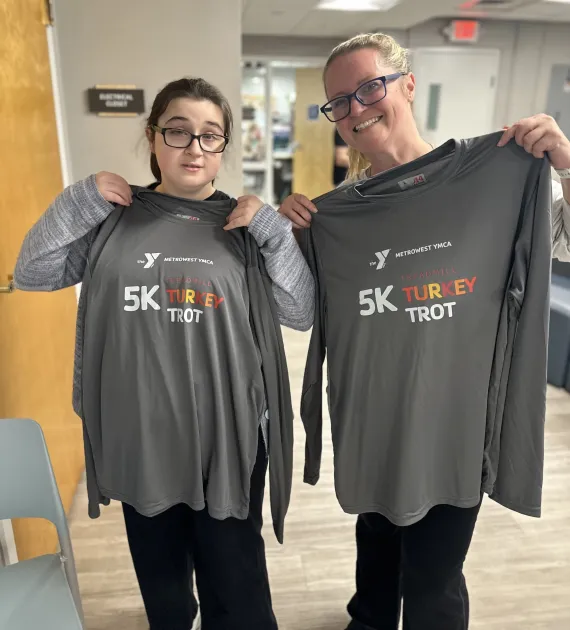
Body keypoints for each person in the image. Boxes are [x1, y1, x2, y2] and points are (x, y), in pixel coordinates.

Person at [278, 33, 570, 630]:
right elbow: (300, 311)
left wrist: (566, 163)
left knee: (434, 584)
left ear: (407, 84)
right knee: (377, 561)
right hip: (374, 423)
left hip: (453, 430)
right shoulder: (338, 215)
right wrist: (285, 241)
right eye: (339, 102)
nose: (356, 109)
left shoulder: (491, 180)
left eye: (369, 88)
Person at [14, 77, 314, 630]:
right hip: (143, 437)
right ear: (153, 138)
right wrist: (78, 200)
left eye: (210, 135)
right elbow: (30, 273)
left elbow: (300, 312)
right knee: (166, 597)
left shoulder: (245, 224)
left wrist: (273, 231)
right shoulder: (113, 216)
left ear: (224, 145)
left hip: (226, 441)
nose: (194, 148)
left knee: (239, 592)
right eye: (178, 132)